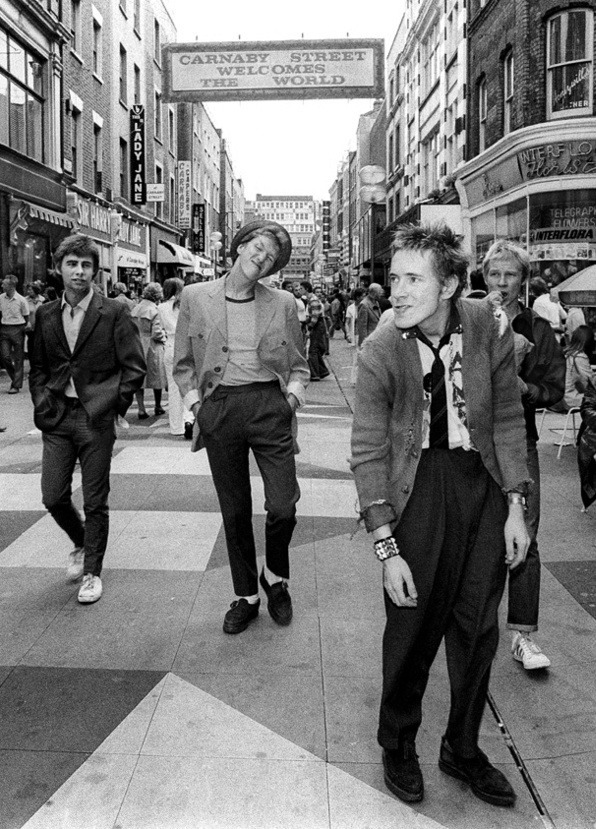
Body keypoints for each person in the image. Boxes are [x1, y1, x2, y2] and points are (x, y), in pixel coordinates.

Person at [351, 223, 530, 809]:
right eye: (393, 277)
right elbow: (369, 451)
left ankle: (462, 747)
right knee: (412, 622)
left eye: (412, 279)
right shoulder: (381, 349)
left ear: (451, 284)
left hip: (479, 480)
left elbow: (506, 416)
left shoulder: (486, 326)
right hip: (417, 484)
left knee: (478, 625)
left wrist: (515, 505)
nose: (396, 290)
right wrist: (386, 548)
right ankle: (398, 741)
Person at [174, 220, 309, 635]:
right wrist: (197, 407)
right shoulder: (196, 296)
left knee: (283, 505)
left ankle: (275, 576)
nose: (262, 258)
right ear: (240, 246)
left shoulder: (283, 302)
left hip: (270, 405)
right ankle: (246, 595)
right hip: (221, 409)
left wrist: (290, 400)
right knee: (234, 509)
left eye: (270, 257)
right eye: (259, 247)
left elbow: (299, 363)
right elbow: (182, 362)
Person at [28, 233, 145, 604]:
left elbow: (134, 367)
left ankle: (92, 572)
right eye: (72, 264)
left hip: (96, 418)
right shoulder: (45, 313)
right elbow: (39, 368)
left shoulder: (114, 312)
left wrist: (114, 407)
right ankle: (81, 541)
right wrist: (42, 402)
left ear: (96, 270)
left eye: (86, 265)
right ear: (59, 268)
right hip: (58, 416)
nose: (79, 272)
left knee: (96, 500)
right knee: (53, 496)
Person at [484, 240, 565, 671]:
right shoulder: (468, 316)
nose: (502, 282)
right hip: (469, 439)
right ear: (484, 276)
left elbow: (555, 389)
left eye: (510, 274)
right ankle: (467, 623)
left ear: (523, 279)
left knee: (525, 531)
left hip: (520, 437)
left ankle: (523, 635)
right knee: (472, 530)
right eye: (495, 273)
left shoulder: (538, 328)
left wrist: (526, 390)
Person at [158, 277, 193, 438]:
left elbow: (160, 330)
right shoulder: (185, 305)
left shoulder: (161, 307)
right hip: (185, 346)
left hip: (170, 347)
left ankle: (175, 427)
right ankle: (189, 419)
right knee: (189, 385)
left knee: (173, 389)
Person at [131, 283, 167, 419]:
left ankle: (141, 408)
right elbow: (156, 333)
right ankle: (158, 406)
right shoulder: (155, 310)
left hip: (136, 344)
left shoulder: (135, 309)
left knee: (138, 378)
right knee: (157, 376)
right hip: (152, 346)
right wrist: (165, 338)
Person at [0, 276, 29, 394]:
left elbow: (26, 316)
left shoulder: (21, 300)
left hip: (18, 328)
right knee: (4, 356)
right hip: (4, 328)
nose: (2, 286)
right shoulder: (1, 298)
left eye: (4, 284)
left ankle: (16, 385)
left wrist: (22, 329)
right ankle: (16, 378)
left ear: (11, 287)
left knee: (18, 358)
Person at [562, 325, 595, 410]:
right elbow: (592, 381)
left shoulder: (567, 354)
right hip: (570, 399)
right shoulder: (579, 356)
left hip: (558, 398)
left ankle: (585, 423)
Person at [306, 299, 330, 381]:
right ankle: (322, 371)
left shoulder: (313, 302)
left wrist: (309, 329)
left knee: (313, 350)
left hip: (316, 327)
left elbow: (314, 318)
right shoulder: (316, 301)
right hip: (319, 326)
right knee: (317, 349)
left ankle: (315, 373)